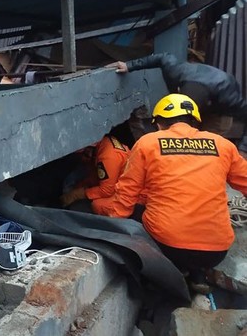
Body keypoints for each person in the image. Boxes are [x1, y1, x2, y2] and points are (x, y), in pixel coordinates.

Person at [98, 93, 247, 280]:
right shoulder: (223, 145)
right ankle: (196, 275)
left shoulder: (148, 143)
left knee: (136, 211)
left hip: (168, 247)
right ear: (195, 122)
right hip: (216, 252)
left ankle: (168, 272)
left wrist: (112, 227)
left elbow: (126, 195)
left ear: (159, 123)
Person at [106, 53, 247, 158]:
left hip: (217, 114)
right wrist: (129, 65)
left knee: (206, 148)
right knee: (181, 138)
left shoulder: (228, 95)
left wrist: (243, 148)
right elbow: (161, 57)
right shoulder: (175, 72)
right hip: (196, 90)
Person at [60, 134, 131, 215]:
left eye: (83, 154)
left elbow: (107, 191)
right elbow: (95, 176)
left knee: (96, 205)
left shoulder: (108, 157)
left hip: (131, 195)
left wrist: (78, 194)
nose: (82, 159)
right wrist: (81, 186)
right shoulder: (103, 144)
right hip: (120, 184)